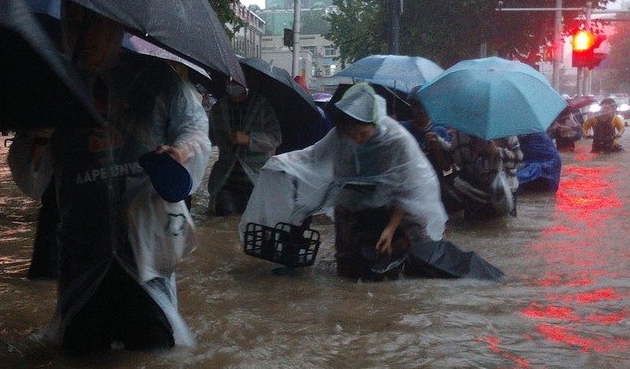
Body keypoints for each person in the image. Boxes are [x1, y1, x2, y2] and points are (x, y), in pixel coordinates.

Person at [8, 1, 210, 353]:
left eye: (95, 22)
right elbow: (31, 180)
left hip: (146, 254)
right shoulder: (56, 85)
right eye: (72, 22)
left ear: (119, 26)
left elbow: (195, 131)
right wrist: (38, 136)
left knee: (153, 361)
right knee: (81, 360)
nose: (82, 34)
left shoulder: (158, 81)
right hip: (81, 252)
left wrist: (178, 152)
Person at [239, 84, 447, 281]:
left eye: (362, 133)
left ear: (374, 124)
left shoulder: (396, 141)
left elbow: (407, 189)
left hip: (400, 206)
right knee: (348, 266)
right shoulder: (341, 134)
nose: (357, 139)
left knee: (412, 261)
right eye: (352, 134)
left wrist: (390, 229)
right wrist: (282, 162)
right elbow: (313, 157)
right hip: (359, 196)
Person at [207, 84, 281, 216]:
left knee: (251, 223)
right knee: (223, 222)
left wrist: (249, 139)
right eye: (229, 81)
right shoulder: (219, 108)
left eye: (236, 81)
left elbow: (275, 138)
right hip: (226, 181)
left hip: (254, 181)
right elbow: (208, 139)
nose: (232, 84)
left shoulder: (261, 106)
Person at [435, 130, 523, 217]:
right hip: (473, 193)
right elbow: (452, 161)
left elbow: (518, 160)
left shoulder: (504, 132)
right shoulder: (459, 135)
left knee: (505, 226)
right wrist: (439, 146)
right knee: (475, 227)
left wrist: (497, 151)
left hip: (504, 193)